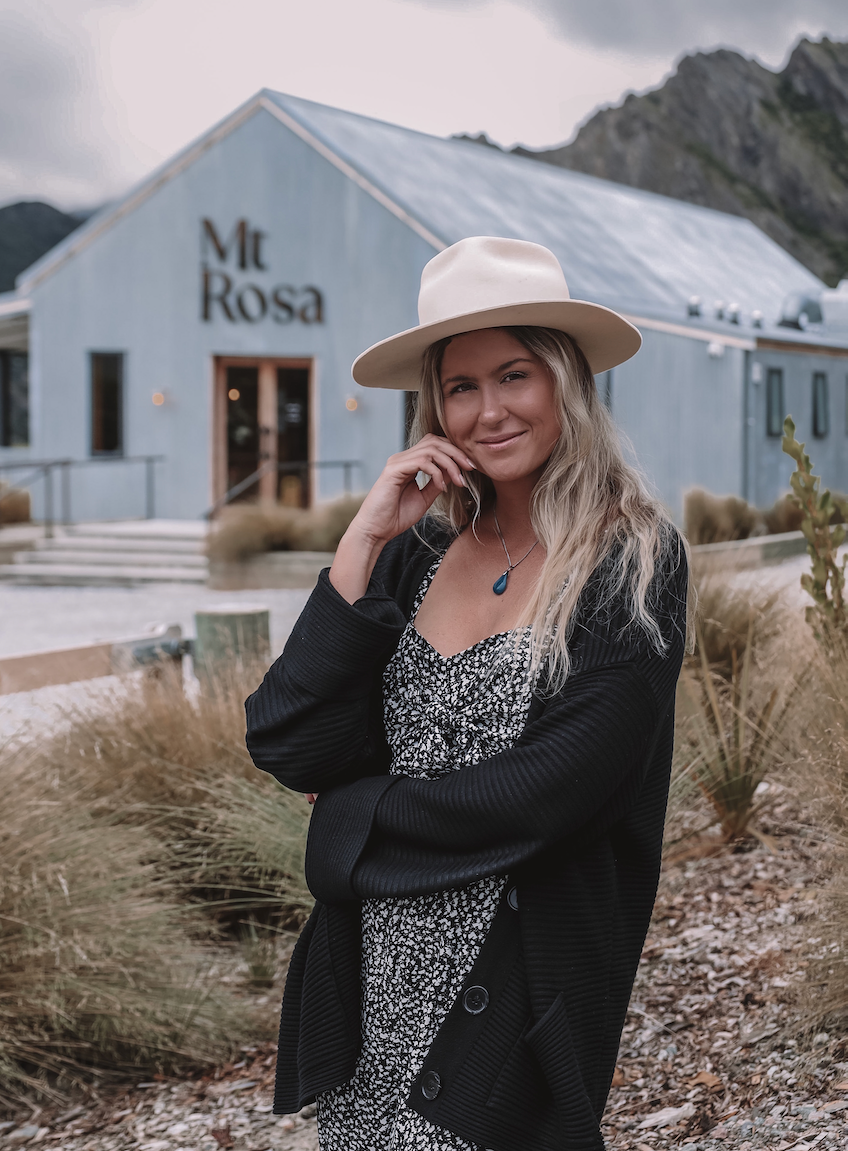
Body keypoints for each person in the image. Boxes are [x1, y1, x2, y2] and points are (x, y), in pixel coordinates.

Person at [245, 237, 689, 1151]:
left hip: (512, 995)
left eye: (514, 375)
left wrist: (346, 823)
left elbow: (549, 796)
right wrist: (361, 546)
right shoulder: (415, 555)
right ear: (433, 408)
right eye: (460, 386)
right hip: (367, 976)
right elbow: (287, 742)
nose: (489, 410)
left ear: (563, 381)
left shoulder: (633, 559)